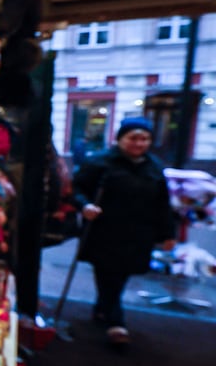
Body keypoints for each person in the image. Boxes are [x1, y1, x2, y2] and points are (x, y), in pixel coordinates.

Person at [73, 117, 176, 345]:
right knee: (107, 273)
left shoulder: (154, 167)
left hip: (139, 233)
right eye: (133, 138)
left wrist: (168, 234)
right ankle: (116, 322)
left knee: (121, 275)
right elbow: (77, 188)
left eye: (144, 139)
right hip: (105, 230)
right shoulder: (100, 162)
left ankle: (103, 308)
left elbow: (162, 203)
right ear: (120, 139)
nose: (139, 144)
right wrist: (85, 205)